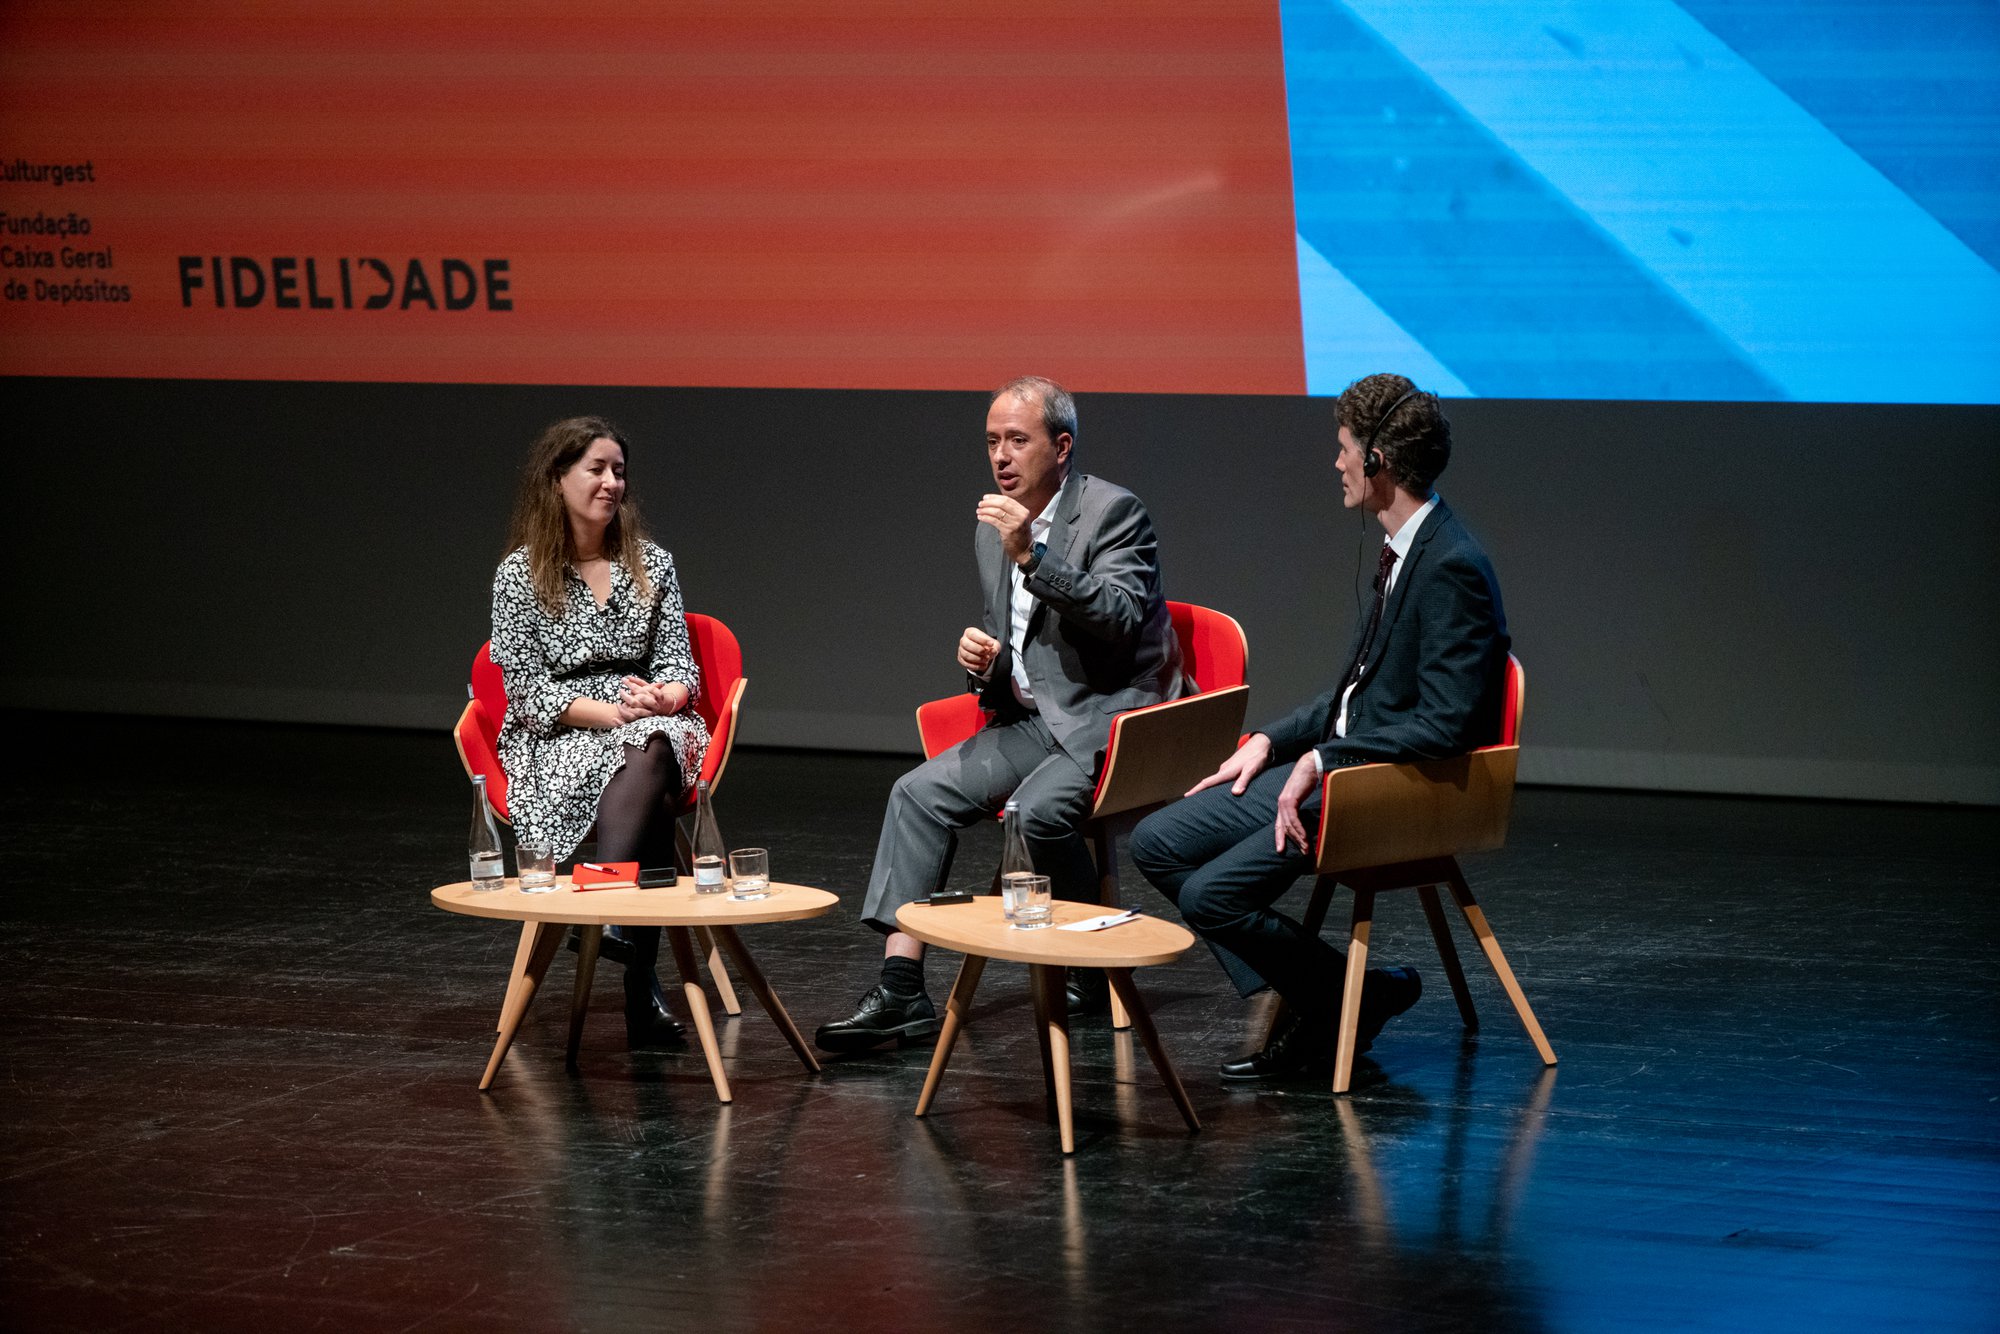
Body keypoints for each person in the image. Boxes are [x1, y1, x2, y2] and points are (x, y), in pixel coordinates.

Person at [1129, 373, 1509, 1080]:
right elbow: (1353, 695)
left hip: (1394, 787)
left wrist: (1327, 760)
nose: (1336, 464)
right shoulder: (1403, 552)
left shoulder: (1451, 565)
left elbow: (1450, 722)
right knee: (1156, 841)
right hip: (1351, 768)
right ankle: (1345, 996)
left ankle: (1336, 1003)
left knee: (1213, 896)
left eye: (1343, 449)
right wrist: (1273, 743)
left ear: (1378, 462)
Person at [814, 376, 1186, 1053]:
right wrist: (982, 663)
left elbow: (1121, 619)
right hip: (1031, 720)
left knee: (1034, 814)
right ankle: (901, 989)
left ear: (1062, 445)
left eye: (1018, 439)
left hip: (1112, 717)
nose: (1001, 456)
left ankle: (1086, 962)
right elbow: (1018, 647)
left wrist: (1034, 557)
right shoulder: (994, 529)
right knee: (915, 795)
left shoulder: (1113, 514)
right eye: (992, 442)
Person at [489, 415, 709, 1048]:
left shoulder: (651, 564)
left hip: (651, 726)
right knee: (656, 794)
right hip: (560, 734)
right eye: (597, 469)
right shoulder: (519, 575)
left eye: (619, 472)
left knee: (657, 746)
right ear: (557, 480)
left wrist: (665, 694)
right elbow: (527, 694)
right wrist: (610, 712)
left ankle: (603, 899)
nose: (612, 483)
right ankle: (640, 983)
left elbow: (679, 664)